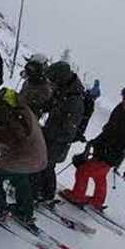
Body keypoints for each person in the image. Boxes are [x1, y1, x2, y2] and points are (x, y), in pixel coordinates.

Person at [0, 77, 48, 224]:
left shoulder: (2, 108)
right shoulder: (7, 100)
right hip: (36, 154)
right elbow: (4, 127)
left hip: (25, 154)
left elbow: (15, 136)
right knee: (19, 176)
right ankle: (24, 211)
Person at [61, 86, 125, 210]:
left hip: (111, 156)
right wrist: (96, 141)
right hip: (102, 151)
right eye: (124, 98)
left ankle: (77, 196)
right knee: (99, 177)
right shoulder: (119, 110)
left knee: (83, 171)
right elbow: (108, 130)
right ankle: (98, 200)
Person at [31, 61, 84, 203]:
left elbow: (69, 131)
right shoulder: (64, 89)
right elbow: (52, 104)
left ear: (62, 77)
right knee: (44, 164)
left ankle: (43, 193)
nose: (52, 82)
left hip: (58, 141)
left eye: (54, 79)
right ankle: (42, 192)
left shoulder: (75, 100)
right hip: (51, 134)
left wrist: (47, 132)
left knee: (46, 164)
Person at [19, 54, 53, 119]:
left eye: (32, 69)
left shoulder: (44, 88)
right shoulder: (30, 81)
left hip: (27, 120)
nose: (29, 72)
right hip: (18, 114)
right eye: (28, 68)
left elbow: (33, 107)